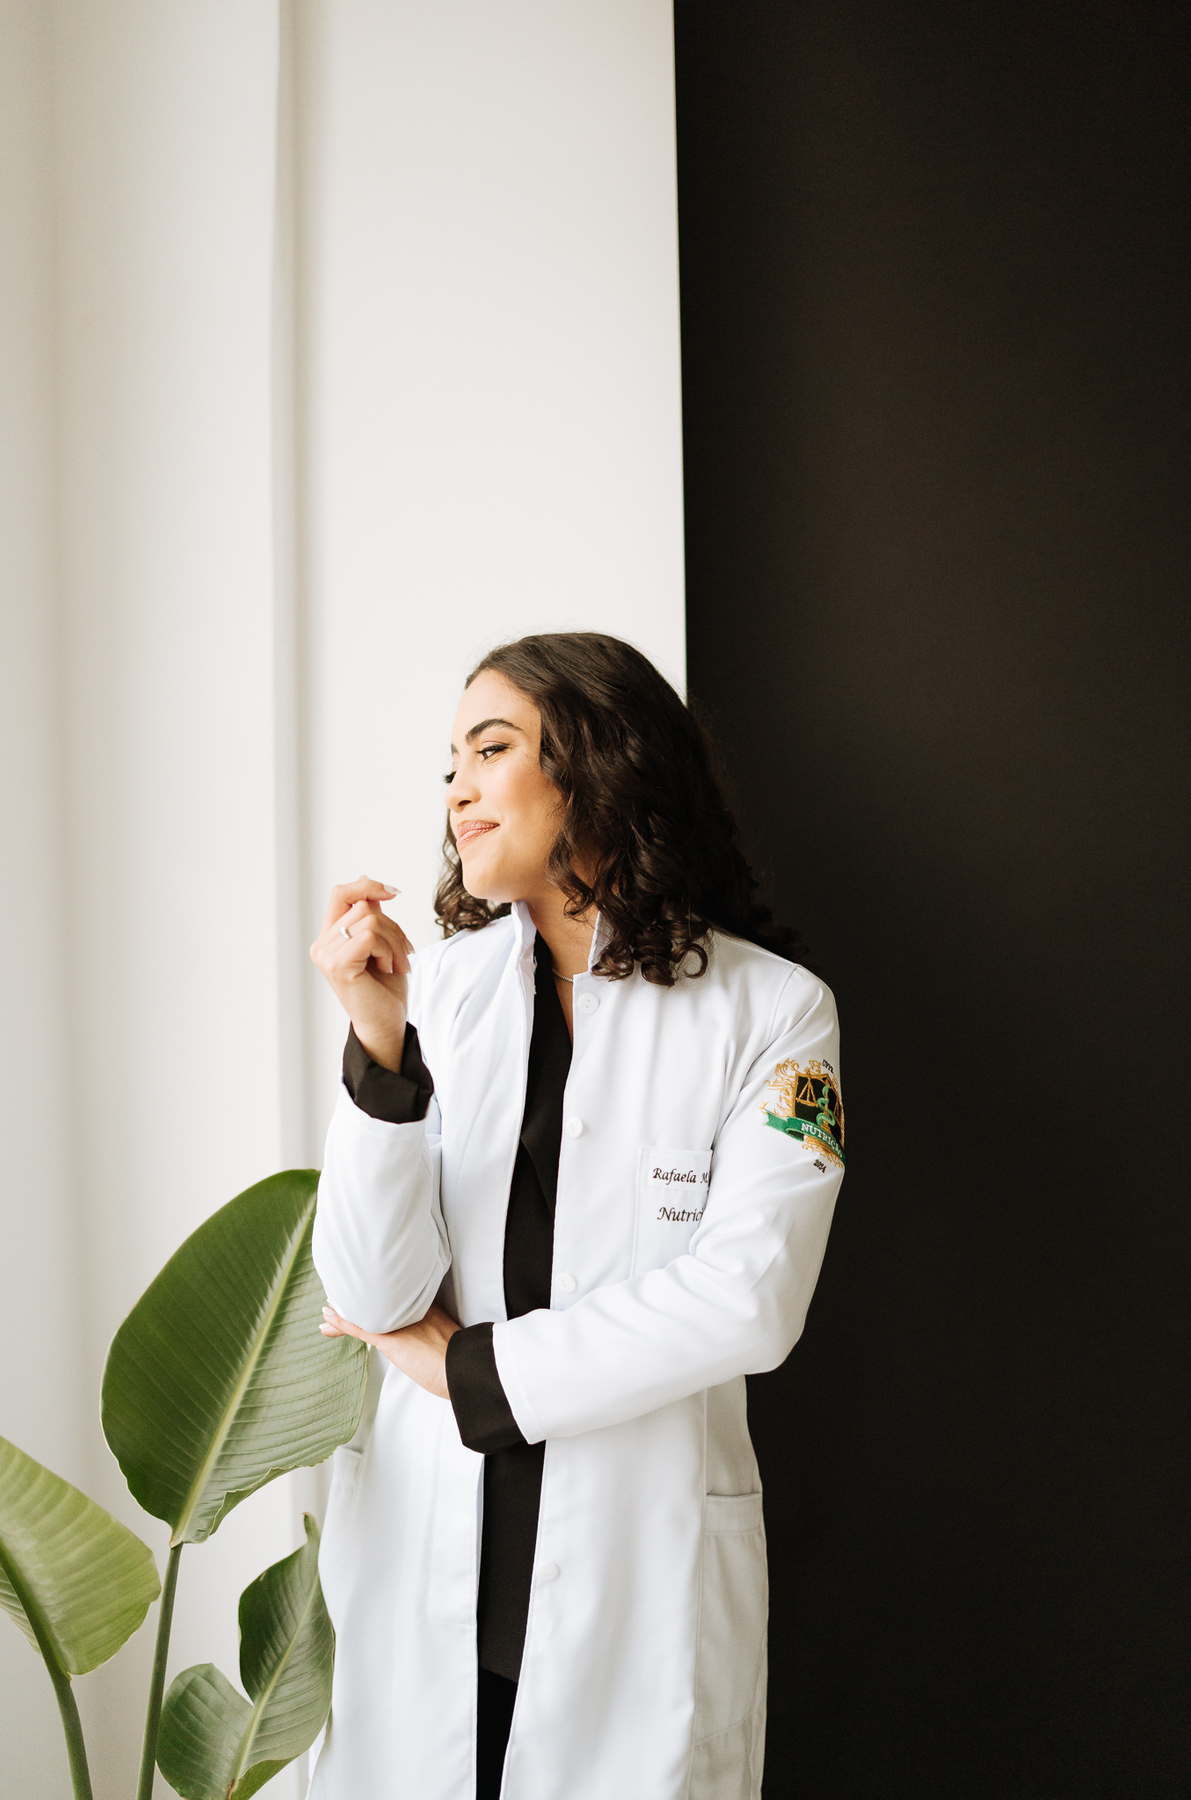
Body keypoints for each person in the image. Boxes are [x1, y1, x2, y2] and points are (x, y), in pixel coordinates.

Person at [306, 632, 845, 1800]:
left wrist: (467, 1372)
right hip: (429, 1568)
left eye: (490, 749)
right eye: (450, 762)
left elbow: (750, 1301)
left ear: (600, 761)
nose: (456, 788)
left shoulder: (774, 1013)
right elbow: (368, 1289)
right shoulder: (437, 996)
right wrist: (379, 1047)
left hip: (637, 1574)